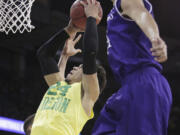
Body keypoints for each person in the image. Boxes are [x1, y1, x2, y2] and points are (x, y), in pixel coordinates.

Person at [24, 0, 106, 135]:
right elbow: (44, 54)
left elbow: (90, 54)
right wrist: (69, 30)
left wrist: (91, 18)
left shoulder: (88, 94)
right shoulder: (58, 87)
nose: (75, 68)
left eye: (81, 67)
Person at [92, 0, 172, 135]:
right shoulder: (114, 12)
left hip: (144, 82)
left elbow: (142, 14)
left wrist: (155, 39)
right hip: (128, 87)